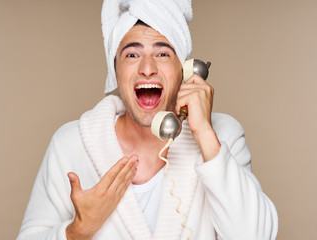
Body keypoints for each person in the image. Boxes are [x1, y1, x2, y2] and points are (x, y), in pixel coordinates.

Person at [17, 0, 278, 239]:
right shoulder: (70, 143)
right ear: (115, 70)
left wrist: (205, 135)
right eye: (132, 54)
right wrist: (77, 231)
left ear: (184, 70)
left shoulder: (224, 135)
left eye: (163, 53)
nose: (147, 68)